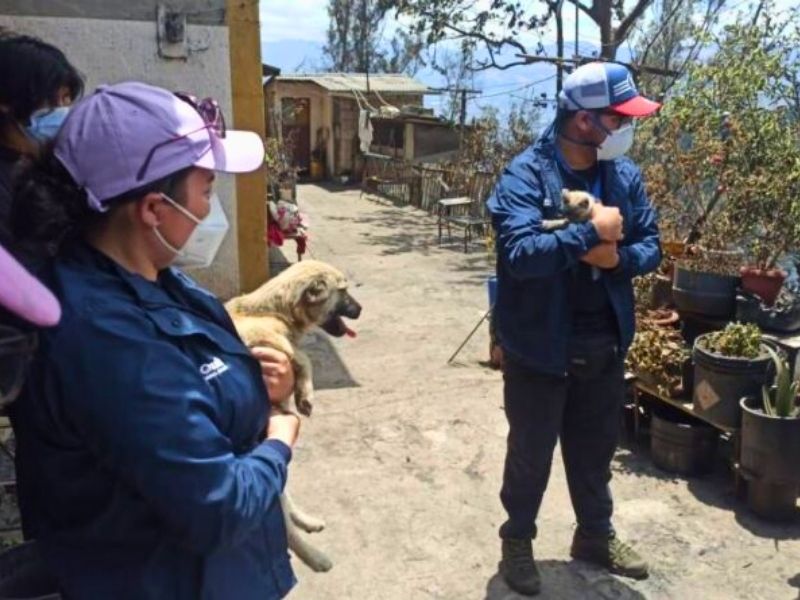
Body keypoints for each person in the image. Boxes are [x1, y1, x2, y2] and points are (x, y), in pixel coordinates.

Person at [9, 81, 300, 600]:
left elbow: (181, 394)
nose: (212, 208)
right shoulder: (104, 337)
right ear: (152, 209)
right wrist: (279, 438)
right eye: (207, 189)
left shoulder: (151, 277)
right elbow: (217, 507)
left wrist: (251, 383)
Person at [487, 62, 662, 596]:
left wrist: (616, 261)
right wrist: (588, 232)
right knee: (530, 454)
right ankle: (517, 541)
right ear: (585, 121)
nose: (628, 127)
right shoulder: (525, 176)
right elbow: (519, 254)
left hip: (603, 339)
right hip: (540, 346)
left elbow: (651, 245)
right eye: (619, 117)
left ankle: (594, 535)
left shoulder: (623, 176)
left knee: (594, 451)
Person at [0, 33, 83, 246]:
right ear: (7, 103)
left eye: (67, 100)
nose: (64, 112)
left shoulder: (51, 166)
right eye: (56, 100)